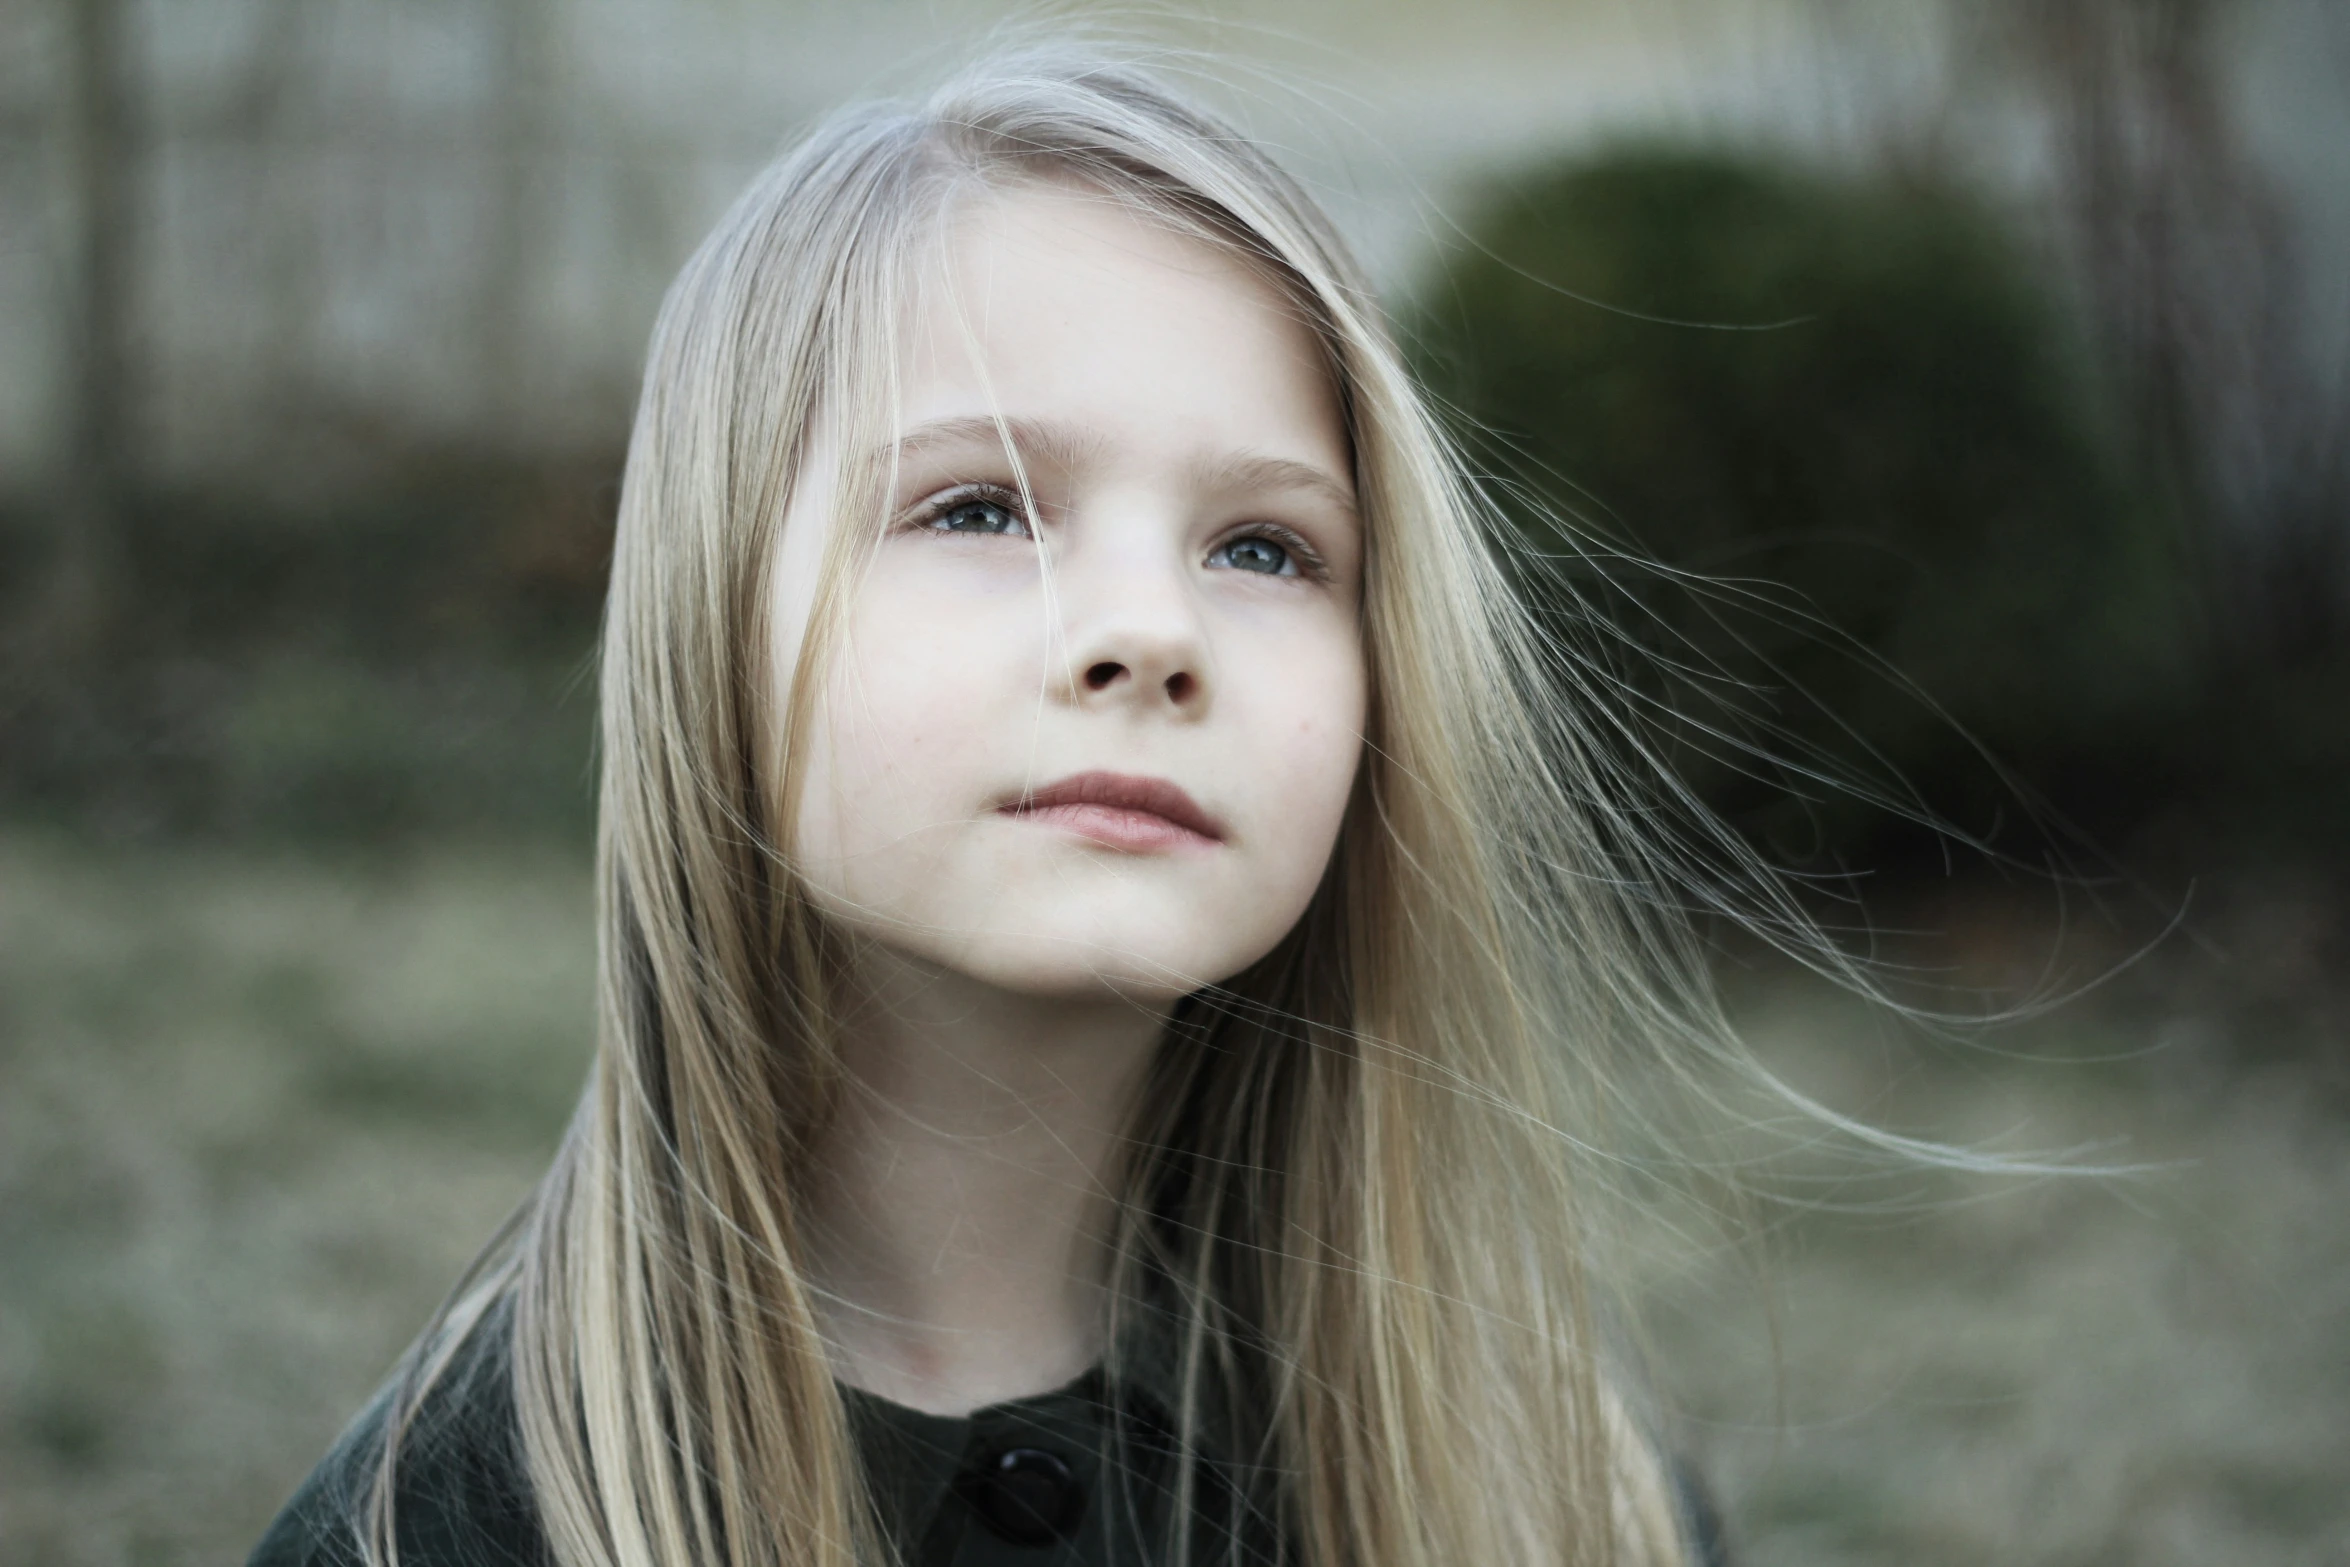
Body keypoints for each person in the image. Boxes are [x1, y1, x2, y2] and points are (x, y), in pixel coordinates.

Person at [250, 46, 1740, 1567]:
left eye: (1265, 548)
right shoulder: (437, 1531)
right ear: (712, 635)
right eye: (979, 508)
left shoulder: (1547, 1489)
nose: (1150, 630)